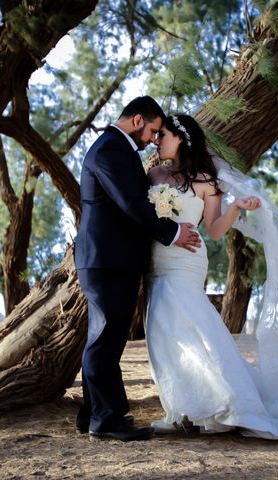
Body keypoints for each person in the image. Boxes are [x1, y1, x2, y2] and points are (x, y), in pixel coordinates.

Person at [145, 114, 278, 446]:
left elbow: (213, 230)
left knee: (191, 330)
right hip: (156, 260)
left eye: (162, 134)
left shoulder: (207, 180)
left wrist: (235, 207)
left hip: (187, 261)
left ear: (180, 137)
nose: (156, 140)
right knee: (161, 333)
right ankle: (181, 409)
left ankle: (217, 405)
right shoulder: (154, 174)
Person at [74, 97, 201, 442]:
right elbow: (131, 202)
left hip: (115, 259)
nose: (153, 139)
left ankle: (93, 413)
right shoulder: (110, 149)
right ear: (138, 120)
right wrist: (173, 233)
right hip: (106, 258)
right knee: (104, 338)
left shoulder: (117, 149)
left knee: (107, 337)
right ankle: (106, 418)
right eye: (153, 130)